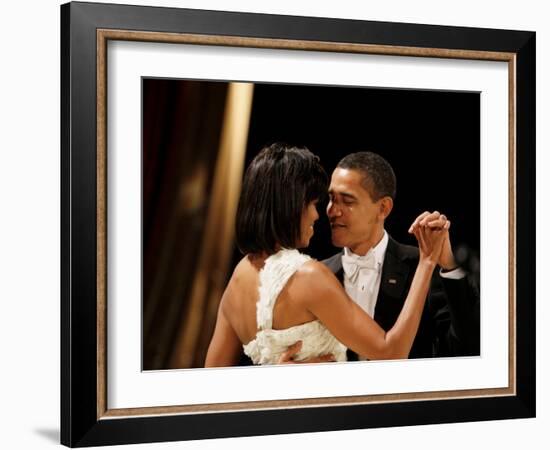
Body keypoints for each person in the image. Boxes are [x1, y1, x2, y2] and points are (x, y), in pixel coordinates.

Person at [204, 143, 450, 367]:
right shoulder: (310, 275)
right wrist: (427, 262)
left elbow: (213, 382)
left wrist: (274, 377)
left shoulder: (238, 276)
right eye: (313, 203)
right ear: (291, 206)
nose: (319, 215)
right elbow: (391, 353)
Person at [303, 151, 479, 361]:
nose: (332, 211)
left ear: (383, 208)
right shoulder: (316, 275)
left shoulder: (421, 265)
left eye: (347, 201)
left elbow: (466, 348)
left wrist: (449, 265)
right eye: (331, 199)